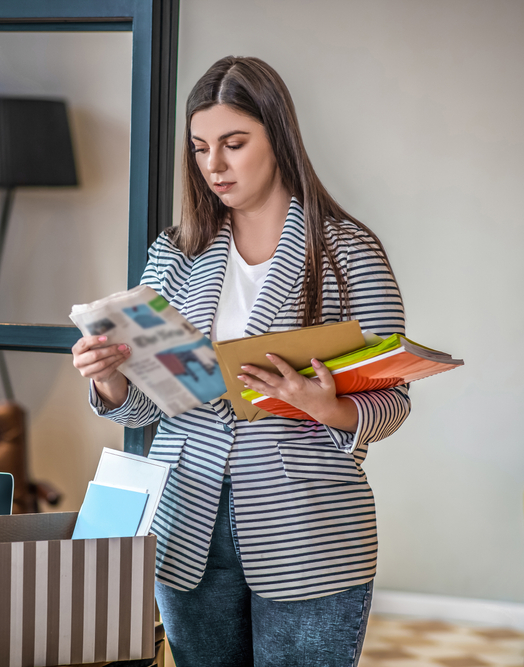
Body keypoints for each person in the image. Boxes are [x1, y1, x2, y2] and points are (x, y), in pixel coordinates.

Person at [72, 56, 409, 667]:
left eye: (233, 144)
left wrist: (324, 405)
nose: (214, 166)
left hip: (309, 531)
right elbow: (155, 401)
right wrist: (114, 377)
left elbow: (394, 399)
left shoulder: (348, 252)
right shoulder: (176, 252)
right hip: (186, 517)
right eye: (201, 148)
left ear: (277, 138)